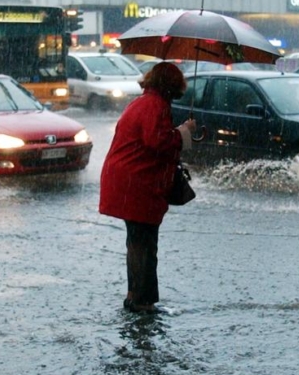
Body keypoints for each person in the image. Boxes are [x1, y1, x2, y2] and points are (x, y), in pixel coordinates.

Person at [99, 62, 196, 314]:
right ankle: (143, 302)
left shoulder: (143, 102)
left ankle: (135, 296)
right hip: (138, 184)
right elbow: (157, 142)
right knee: (144, 244)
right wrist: (183, 132)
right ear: (172, 86)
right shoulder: (155, 106)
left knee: (137, 242)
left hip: (128, 181)